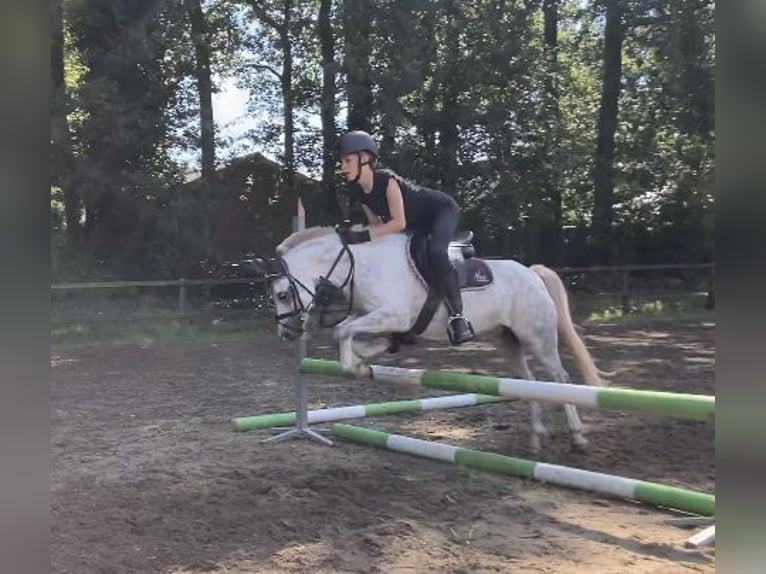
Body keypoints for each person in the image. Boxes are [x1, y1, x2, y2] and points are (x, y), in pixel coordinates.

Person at [334, 129, 475, 345]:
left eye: (347, 161)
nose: (343, 167)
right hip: (418, 225)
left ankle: (458, 318)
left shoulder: (386, 180)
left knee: (437, 252)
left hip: (441, 211)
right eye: (342, 162)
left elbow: (398, 223)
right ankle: (406, 323)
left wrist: (362, 236)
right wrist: (353, 236)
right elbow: (378, 227)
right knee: (404, 259)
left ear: (364, 159)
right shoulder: (361, 192)